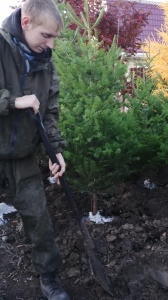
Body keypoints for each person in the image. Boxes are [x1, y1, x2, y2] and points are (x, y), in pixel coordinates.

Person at [0, 0, 70, 299]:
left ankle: (49, 277)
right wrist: (15, 100)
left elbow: (49, 112)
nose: (50, 43)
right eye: (46, 35)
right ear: (26, 23)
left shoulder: (45, 63)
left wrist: (55, 151)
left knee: (38, 217)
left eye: (54, 37)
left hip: (22, 155)